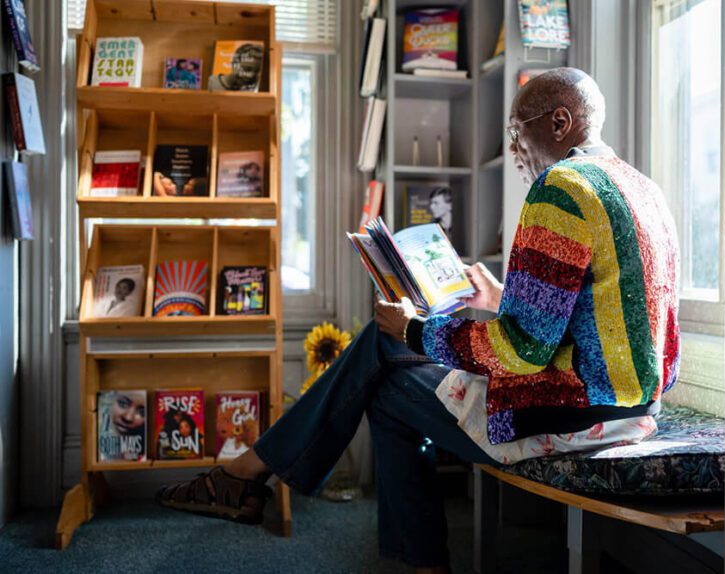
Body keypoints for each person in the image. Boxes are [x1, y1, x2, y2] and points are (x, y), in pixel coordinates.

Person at [157, 68, 680, 573]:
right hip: (635, 407)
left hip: (570, 417)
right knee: (385, 375)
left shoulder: (563, 187)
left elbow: (522, 351)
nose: (516, 149)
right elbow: (609, 317)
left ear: (560, 123)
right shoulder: (644, 189)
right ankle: (256, 474)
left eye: (516, 132)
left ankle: (251, 473)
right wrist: (499, 298)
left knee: (385, 364)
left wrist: (412, 328)